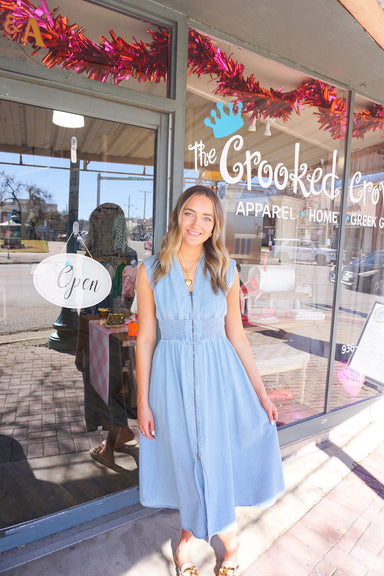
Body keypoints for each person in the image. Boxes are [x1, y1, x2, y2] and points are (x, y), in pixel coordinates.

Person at [136, 186, 284, 576]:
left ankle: (226, 537)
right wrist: (142, 401)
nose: (196, 224)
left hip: (222, 381)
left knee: (218, 458)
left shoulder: (226, 269)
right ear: (177, 217)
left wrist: (262, 394)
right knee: (186, 460)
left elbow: (236, 334)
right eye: (189, 213)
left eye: (207, 217)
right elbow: (147, 338)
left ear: (215, 224)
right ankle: (189, 535)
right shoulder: (150, 270)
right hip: (171, 381)